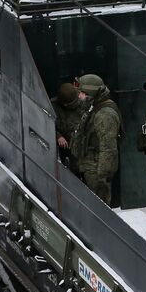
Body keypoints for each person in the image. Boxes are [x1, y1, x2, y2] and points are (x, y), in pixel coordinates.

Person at [71, 73, 122, 205]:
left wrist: (102, 176)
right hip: (90, 164)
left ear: (91, 93)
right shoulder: (94, 107)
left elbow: (109, 147)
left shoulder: (105, 114)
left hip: (97, 168)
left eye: (82, 93)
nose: (79, 96)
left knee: (99, 205)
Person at [51, 82, 87, 174]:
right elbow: (47, 124)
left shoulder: (84, 104)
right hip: (67, 149)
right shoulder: (54, 106)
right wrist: (58, 136)